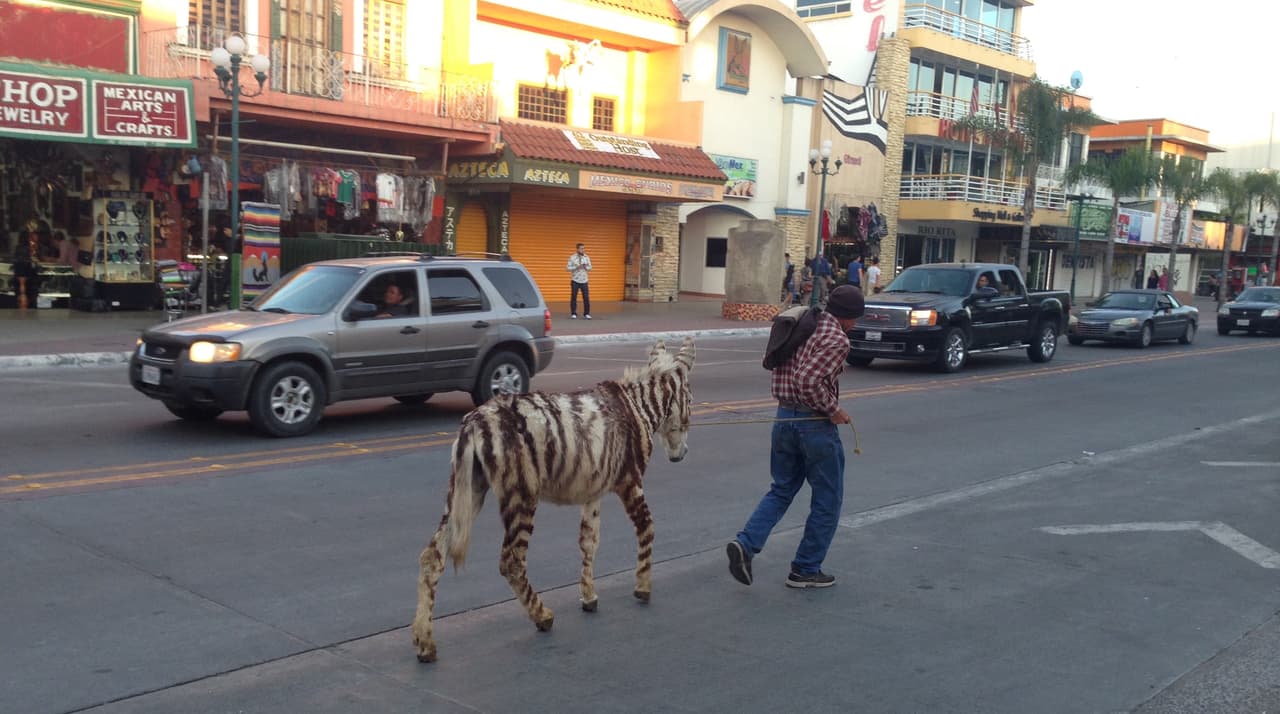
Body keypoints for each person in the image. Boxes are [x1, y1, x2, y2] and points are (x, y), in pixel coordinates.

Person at [726, 284, 865, 589]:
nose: (856, 324)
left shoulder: (804, 324)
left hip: (783, 418)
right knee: (828, 498)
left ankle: (746, 544)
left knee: (782, 488)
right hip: (813, 424)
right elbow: (808, 380)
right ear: (848, 317)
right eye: (856, 318)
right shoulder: (836, 338)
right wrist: (834, 410)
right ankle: (805, 568)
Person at [566, 242, 592, 319]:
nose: (583, 250)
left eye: (584, 248)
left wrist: (585, 266)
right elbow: (567, 268)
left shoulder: (586, 257)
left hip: (584, 280)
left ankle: (586, 313)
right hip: (575, 280)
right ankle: (573, 313)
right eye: (581, 248)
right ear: (577, 249)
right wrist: (576, 267)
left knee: (586, 297)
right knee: (574, 297)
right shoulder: (572, 257)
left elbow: (590, 268)